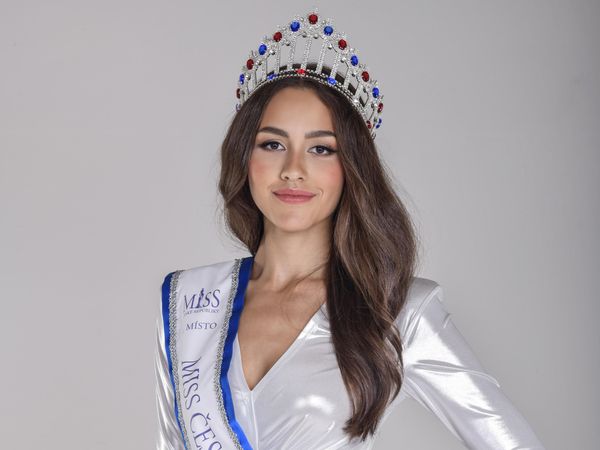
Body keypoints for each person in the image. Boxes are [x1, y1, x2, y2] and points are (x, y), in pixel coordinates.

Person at [154, 9, 546, 450]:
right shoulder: (190, 301)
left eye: (321, 149)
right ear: (245, 158)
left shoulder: (395, 311)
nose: (293, 169)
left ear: (351, 168)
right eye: (273, 144)